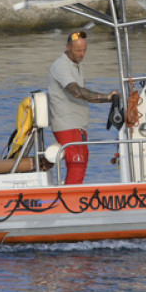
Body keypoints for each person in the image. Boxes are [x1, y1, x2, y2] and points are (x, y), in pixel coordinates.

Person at [47, 30, 118, 184]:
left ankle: (73, 198)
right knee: (76, 164)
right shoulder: (61, 65)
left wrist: (109, 99)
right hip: (67, 124)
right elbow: (77, 92)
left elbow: (85, 96)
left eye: (84, 50)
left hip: (78, 126)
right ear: (68, 47)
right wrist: (106, 96)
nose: (82, 54)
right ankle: (69, 201)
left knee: (81, 163)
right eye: (78, 50)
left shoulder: (77, 64)